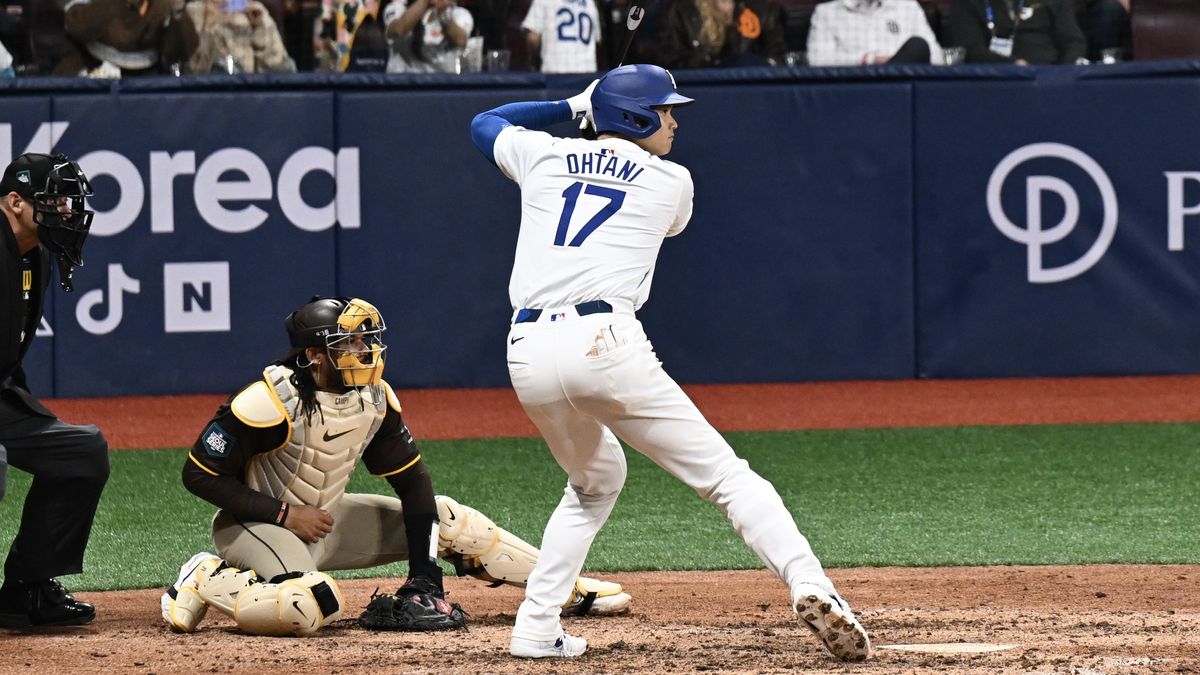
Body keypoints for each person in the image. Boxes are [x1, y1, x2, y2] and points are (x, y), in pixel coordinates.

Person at [468, 64, 872, 661]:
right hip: (604, 343)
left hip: (525, 350)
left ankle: (534, 628)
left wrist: (571, 106)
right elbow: (651, 204)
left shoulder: (545, 157)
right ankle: (812, 584)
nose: (673, 121)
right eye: (662, 110)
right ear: (634, 118)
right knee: (730, 480)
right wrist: (595, 118)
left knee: (594, 481)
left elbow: (485, 123)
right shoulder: (672, 183)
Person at [161, 295, 630, 637]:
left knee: (449, 522)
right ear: (313, 356)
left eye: (365, 342)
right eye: (348, 344)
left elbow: (414, 485)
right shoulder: (267, 402)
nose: (364, 353)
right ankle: (206, 576)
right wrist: (285, 515)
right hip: (256, 525)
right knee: (311, 605)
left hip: (325, 521)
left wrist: (424, 574)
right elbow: (198, 474)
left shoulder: (373, 400)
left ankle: (566, 589)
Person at [0, 153, 109, 628]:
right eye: (56, 201)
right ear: (14, 202)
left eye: (69, 203)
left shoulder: (34, 257)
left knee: (81, 452)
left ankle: (26, 590)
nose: (66, 212)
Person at [55, 0, 199, 76]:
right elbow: (76, 26)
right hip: (91, 68)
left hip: (146, 81)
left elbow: (181, 53)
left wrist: (178, 13)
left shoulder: (162, 4)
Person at [944, 0, 1085, 64]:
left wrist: (1064, 74)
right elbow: (969, 49)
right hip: (993, 82)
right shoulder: (967, 3)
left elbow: (1073, 41)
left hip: (1049, 78)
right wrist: (1013, 65)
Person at [806, 0, 942, 66]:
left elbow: (936, 57)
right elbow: (817, 59)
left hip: (901, 93)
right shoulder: (827, 13)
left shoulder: (908, 8)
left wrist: (897, 61)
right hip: (852, 91)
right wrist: (868, 60)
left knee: (917, 47)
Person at [659, 0, 786, 68]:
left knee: (745, 61)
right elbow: (672, 62)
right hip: (705, 92)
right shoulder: (681, 9)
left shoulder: (763, 10)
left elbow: (776, 60)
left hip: (751, 92)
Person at [185, 0, 293, 73]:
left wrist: (259, 28)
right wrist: (208, 26)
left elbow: (278, 67)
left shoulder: (256, 10)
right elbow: (193, 70)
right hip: (206, 96)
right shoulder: (194, 12)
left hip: (248, 93)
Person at [382, 0, 473, 72]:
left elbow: (459, 40)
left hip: (442, 84)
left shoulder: (458, 13)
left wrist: (441, 14)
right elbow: (397, 30)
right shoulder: (397, 8)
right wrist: (424, 2)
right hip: (403, 84)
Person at [521, 0, 600, 73]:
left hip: (556, 72)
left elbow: (533, 38)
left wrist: (533, 60)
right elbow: (597, 42)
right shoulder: (590, 3)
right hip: (587, 73)